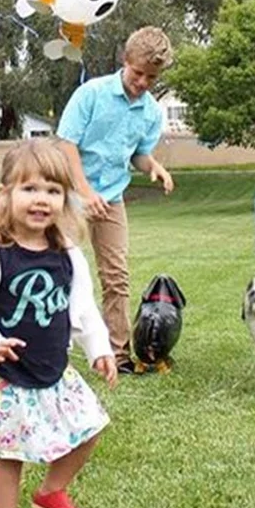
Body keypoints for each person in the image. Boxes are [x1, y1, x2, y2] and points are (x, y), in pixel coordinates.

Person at [0, 139, 117, 508]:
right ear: (5, 194)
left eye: (53, 191)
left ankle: (51, 491)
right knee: (11, 455)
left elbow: (84, 308)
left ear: (65, 199)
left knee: (90, 428)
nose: (42, 200)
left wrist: (100, 349)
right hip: (8, 375)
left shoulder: (67, 254)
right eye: (30, 189)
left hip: (53, 369)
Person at [56, 26, 175, 374]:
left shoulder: (151, 112)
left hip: (111, 197)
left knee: (116, 276)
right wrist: (84, 192)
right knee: (58, 270)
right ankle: (51, 347)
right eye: (138, 73)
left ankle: (115, 354)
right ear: (126, 60)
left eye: (150, 78)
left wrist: (152, 166)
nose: (142, 82)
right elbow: (66, 145)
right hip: (69, 195)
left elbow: (138, 154)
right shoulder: (91, 94)